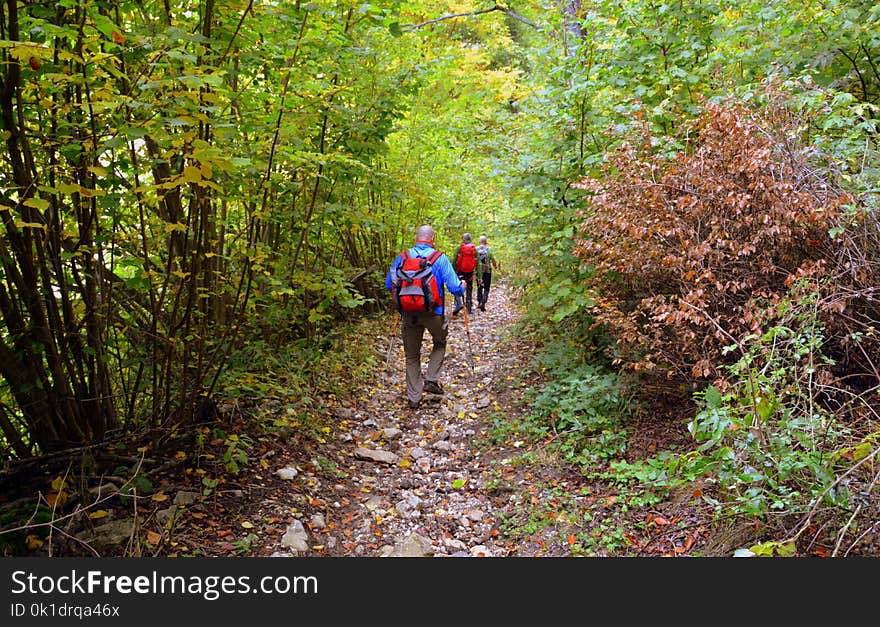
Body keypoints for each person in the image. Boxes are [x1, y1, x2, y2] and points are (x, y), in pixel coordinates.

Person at [386, 225, 464, 410]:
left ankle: (414, 398)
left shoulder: (403, 257)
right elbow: (454, 287)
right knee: (440, 342)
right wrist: (462, 287)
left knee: (412, 356)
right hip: (433, 313)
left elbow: (390, 284)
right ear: (432, 238)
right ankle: (431, 379)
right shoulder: (440, 258)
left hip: (409, 315)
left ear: (416, 238)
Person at [451, 232, 482, 316]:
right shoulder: (474, 249)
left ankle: (458, 303)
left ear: (463, 239)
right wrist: (479, 277)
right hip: (470, 273)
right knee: (469, 289)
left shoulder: (460, 248)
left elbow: (454, 260)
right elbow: (478, 263)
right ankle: (469, 308)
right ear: (470, 239)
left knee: (458, 287)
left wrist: (452, 272)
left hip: (460, 272)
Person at [476, 235, 499, 311]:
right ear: (486, 242)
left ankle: (479, 302)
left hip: (479, 271)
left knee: (479, 286)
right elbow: (493, 260)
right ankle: (483, 302)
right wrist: (495, 266)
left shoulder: (476, 249)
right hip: (487, 271)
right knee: (486, 287)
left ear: (479, 241)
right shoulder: (488, 250)